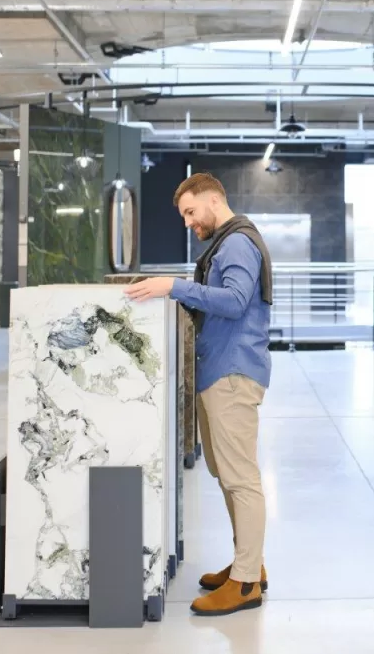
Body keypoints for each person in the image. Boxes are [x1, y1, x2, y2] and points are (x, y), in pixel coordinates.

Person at [124, 171, 273, 616]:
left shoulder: (238, 243)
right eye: (184, 216)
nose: (189, 222)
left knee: (240, 479)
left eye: (191, 212)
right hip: (220, 372)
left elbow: (234, 301)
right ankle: (251, 565)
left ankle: (246, 585)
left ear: (213, 199)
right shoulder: (224, 244)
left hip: (233, 374)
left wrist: (174, 286)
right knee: (228, 475)